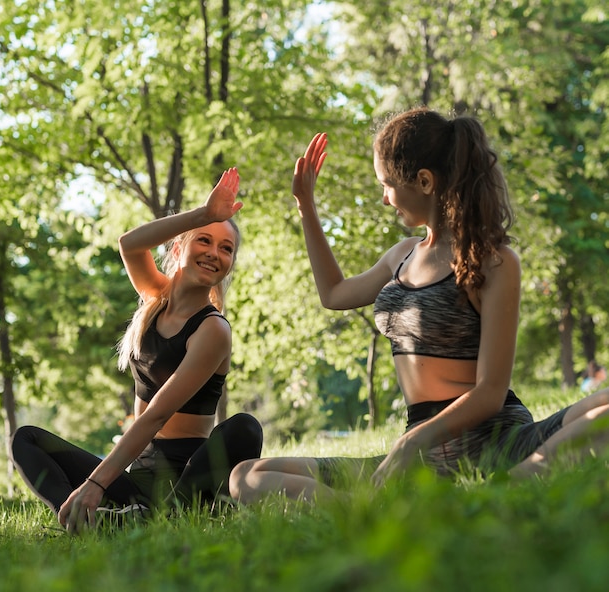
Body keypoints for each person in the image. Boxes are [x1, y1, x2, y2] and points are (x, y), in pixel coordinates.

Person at [229, 108, 609, 503]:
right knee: (245, 475)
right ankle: (368, 509)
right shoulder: (403, 255)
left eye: (387, 185)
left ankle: (500, 492)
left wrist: (410, 443)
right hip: (422, 459)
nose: (383, 198)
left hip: (500, 443)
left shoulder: (493, 260)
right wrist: (306, 205)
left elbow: (491, 391)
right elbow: (335, 294)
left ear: (424, 182)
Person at [11, 168, 263, 532]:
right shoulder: (155, 300)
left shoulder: (213, 330)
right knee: (27, 439)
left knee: (244, 428)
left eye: (226, 249)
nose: (214, 253)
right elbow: (129, 244)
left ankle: (155, 519)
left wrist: (97, 483)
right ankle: (79, 519)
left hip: (188, 478)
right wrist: (203, 214)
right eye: (204, 241)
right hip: (140, 474)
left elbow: (156, 415)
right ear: (179, 248)